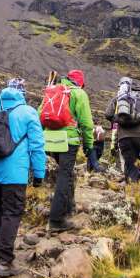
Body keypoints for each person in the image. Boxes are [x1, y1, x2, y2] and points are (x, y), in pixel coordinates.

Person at [0, 83, 46, 278]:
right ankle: (5, 262)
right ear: (21, 96)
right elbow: (37, 146)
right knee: (12, 213)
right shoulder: (28, 112)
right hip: (15, 174)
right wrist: (39, 173)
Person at [43, 69, 94, 232]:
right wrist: (89, 145)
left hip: (49, 141)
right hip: (68, 141)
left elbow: (40, 114)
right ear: (81, 83)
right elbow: (86, 123)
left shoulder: (52, 91)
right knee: (64, 176)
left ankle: (69, 208)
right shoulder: (79, 94)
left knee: (67, 174)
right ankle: (56, 220)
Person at [104, 77, 140, 185]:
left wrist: (118, 120)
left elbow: (108, 114)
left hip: (125, 138)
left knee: (131, 166)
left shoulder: (119, 97)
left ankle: (132, 190)